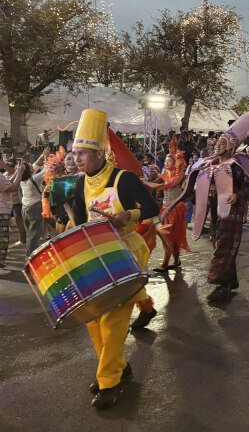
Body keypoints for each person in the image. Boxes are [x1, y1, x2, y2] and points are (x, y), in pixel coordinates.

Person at [69, 108, 159, 409]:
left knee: (113, 319)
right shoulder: (81, 184)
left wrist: (129, 214)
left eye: (82, 153)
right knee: (92, 319)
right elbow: (79, 222)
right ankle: (117, 365)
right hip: (97, 255)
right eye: (75, 153)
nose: (77, 159)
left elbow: (151, 207)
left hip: (127, 253)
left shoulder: (124, 178)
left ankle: (110, 381)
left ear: (99, 153)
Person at [164, 112, 249, 301]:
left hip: (232, 212)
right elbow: (192, 189)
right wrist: (174, 205)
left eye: (222, 143)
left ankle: (219, 283)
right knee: (221, 244)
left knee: (223, 246)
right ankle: (231, 281)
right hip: (214, 212)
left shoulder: (237, 165)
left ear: (231, 146)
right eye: (217, 143)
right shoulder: (208, 165)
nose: (217, 146)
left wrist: (237, 195)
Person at [152, 139, 190, 272]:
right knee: (168, 235)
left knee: (169, 235)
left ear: (175, 162)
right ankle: (176, 260)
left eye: (169, 161)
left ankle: (165, 263)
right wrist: (146, 180)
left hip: (175, 208)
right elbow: (157, 182)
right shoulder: (165, 173)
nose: (166, 163)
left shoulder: (179, 175)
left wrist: (152, 185)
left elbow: (167, 185)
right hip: (165, 207)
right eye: (166, 161)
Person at [0, 155, 24, 271]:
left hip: (3, 209)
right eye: (3, 159)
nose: (4, 162)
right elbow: (13, 187)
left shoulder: (1, 177)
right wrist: (19, 172)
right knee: (2, 239)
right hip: (2, 211)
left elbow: (8, 182)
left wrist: (16, 172)